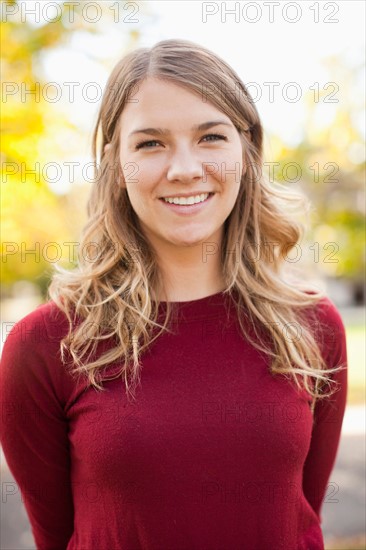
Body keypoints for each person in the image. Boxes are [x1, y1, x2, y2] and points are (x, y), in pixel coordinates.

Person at [0, 39, 347, 550]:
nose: (184, 168)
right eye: (150, 143)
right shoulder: (46, 345)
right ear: (117, 164)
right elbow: (58, 538)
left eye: (210, 136)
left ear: (247, 152)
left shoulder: (312, 327)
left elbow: (299, 523)